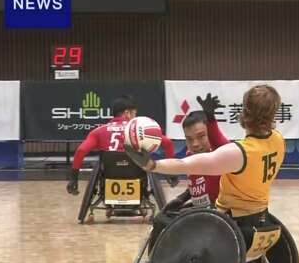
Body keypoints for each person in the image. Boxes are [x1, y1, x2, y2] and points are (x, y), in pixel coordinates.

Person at [124, 84, 285, 248]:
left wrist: (152, 165)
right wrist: (210, 117)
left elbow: (185, 165)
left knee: (162, 220)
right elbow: (221, 146)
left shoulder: (240, 153)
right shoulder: (278, 141)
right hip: (260, 218)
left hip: (230, 223)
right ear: (273, 115)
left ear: (244, 113)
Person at [147, 94, 231, 252]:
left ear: (210, 133)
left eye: (201, 137)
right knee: (162, 216)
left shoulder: (222, 154)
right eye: (189, 139)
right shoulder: (189, 156)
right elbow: (197, 185)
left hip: (219, 215)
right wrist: (181, 198)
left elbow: (222, 145)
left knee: (162, 221)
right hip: (200, 210)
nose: (195, 144)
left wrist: (211, 117)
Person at [66, 94, 175, 195]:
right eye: (134, 114)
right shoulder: (140, 130)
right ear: (127, 113)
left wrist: (74, 178)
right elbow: (168, 143)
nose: (135, 117)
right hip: (136, 172)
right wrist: (171, 173)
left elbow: (81, 150)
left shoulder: (98, 131)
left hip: (109, 173)